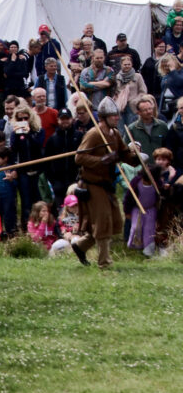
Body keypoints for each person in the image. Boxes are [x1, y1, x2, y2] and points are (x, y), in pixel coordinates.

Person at [73, 97, 139, 268]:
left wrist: (136, 158)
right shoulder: (95, 134)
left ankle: (81, 246)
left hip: (107, 184)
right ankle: (105, 263)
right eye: (113, 116)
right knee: (103, 222)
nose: (117, 118)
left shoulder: (115, 133)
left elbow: (123, 154)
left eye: (117, 115)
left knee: (115, 221)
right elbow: (79, 157)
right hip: (92, 184)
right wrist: (102, 160)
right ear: (103, 117)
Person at [43, 108, 84, 209]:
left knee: (77, 209)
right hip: (58, 183)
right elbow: (46, 163)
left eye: (67, 118)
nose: (65, 121)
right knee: (61, 210)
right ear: (58, 120)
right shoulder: (52, 139)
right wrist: (53, 180)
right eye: (62, 119)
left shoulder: (79, 136)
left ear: (72, 119)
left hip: (75, 181)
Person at [129, 96, 169, 160]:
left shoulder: (162, 126)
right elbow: (126, 147)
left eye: (150, 109)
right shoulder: (132, 128)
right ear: (139, 112)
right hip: (141, 165)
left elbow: (168, 147)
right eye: (145, 110)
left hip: (159, 165)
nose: (149, 111)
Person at [114, 56, 147, 130]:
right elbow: (115, 92)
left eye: (128, 64)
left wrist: (135, 101)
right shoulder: (117, 77)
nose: (127, 66)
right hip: (121, 107)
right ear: (121, 65)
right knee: (121, 129)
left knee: (131, 128)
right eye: (125, 64)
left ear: (131, 64)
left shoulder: (137, 76)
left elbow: (143, 91)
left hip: (132, 106)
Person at [0, 148, 18, 238]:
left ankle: (10, 233)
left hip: (8, 197)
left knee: (8, 215)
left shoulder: (11, 169)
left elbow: (16, 184)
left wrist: (11, 179)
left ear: (5, 158)